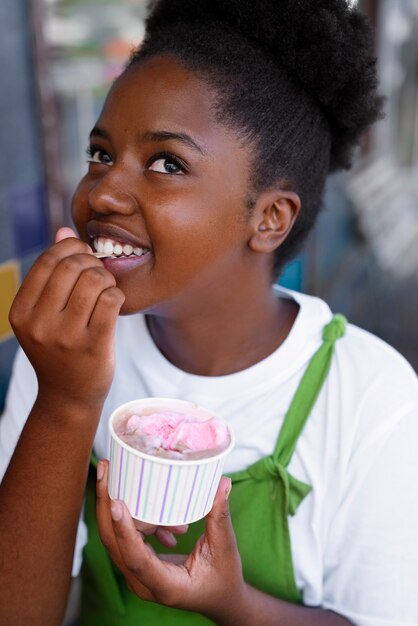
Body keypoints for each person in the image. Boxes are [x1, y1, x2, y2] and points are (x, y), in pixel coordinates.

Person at [1, 0, 417, 624]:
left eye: (167, 163)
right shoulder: (66, 353)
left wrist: (236, 605)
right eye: (100, 154)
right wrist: (65, 402)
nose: (104, 192)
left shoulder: (368, 398)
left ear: (269, 219)